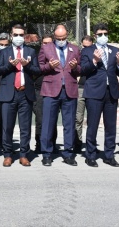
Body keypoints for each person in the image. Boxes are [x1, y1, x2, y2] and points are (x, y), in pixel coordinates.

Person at [0, 24, 41, 167]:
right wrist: (10, 65)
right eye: (16, 35)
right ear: (11, 35)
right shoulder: (5, 52)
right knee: (7, 127)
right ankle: (7, 155)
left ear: (25, 36)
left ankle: (23, 155)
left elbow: (37, 70)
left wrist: (27, 65)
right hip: (9, 93)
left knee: (25, 127)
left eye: (21, 35)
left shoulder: (31, 51)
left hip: (25, 93)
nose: (18, 37)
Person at [80, 23, 119, 167]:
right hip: (94, 92)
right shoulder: (87, 51)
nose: (103, 36)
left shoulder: (114, 50)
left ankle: (109, 155)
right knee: (92, 125)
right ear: (95, 36)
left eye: (105, 34)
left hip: (111, 92)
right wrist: (94, 61)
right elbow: (83, 70)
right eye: (100, 34)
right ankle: (90, 155)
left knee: (111, 126)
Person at [38, 24, 81, 166]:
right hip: (51, 90)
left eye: (63, 38)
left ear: (67, 35)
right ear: (54, 37)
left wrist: (75, 67)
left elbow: (80, 69)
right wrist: (49, 66)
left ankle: (68, 153)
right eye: (58, 38)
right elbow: (40, 68)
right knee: (48, 123)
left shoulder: (75, 49)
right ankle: (46, 154)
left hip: (69, 90)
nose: (61, 40)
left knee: (69, 124)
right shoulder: (46, 48)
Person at [34, 34, 54, 153]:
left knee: (52, 119)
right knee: (40, 119)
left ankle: (52, 144)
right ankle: (39, 144)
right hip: (40, 90)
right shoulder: (36, 56)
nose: (46, 45)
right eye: (44, 43)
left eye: (49, 43)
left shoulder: (57, 56)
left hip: (53, 90)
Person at [74, 35, 93, 153]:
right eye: (84, 46)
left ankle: (91, 143)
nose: (85, 49)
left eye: (88, 47)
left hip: (92, 88)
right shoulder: (78, 56)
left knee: (92, 119)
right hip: (80, 88)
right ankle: (77, 142)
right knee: (78, 118)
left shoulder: (95, 55)